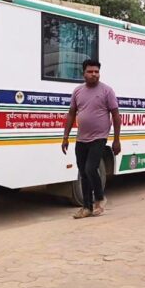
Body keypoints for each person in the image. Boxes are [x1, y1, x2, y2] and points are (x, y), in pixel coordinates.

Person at [62, 59, 122, 219]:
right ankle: (87, 207)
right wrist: (65, 136)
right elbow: (71, 113)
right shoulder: (77, 91)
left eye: (96, 71)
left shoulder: (107, 91)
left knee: (90, 168)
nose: (94, 74)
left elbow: (116, 115)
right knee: (83, 172)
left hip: (99, 137)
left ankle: (100, 199)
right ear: (84, 73)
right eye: (90, 71)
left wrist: (117, 139)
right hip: (81, 138)